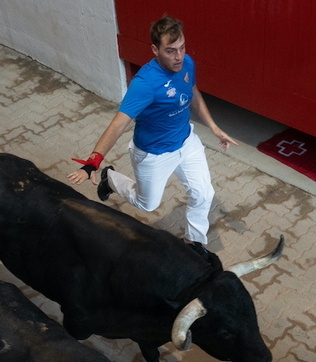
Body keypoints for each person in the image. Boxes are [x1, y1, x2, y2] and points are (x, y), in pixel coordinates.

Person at [67, 15, 237, 247]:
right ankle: (111, 178)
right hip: (153, 153)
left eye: (182, 48)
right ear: (155, 49)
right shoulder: (144, 84)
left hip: (186, 142)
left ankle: (193, 244)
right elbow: (118, 123)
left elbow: (193, 92)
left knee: (204, 194)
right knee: (147, 204)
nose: (178, 57)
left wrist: (214, 127)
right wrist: (93, 161)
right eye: (170, 51)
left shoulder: (187, 63)